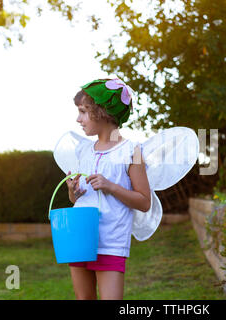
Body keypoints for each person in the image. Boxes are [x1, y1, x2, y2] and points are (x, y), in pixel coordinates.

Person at [65, 78, 151, 300]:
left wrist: (110, 186)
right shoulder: (83, 151)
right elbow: (76, 201)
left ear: (102, 112)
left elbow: (144, 201)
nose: (78, 119)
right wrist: (73, 191)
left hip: (110, 241)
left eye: (83, 111)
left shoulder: (131, 151)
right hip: (80, 235)